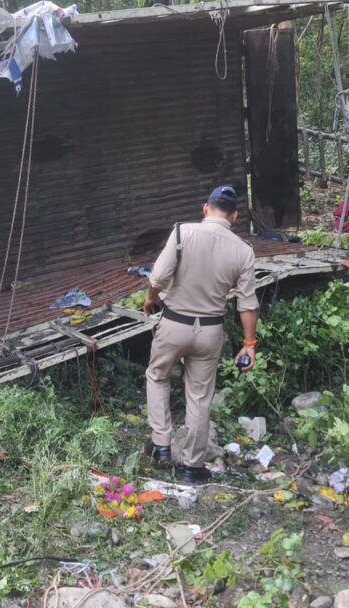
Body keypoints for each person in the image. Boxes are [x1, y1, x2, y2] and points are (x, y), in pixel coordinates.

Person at [143, 185, 258, 484]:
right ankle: (192, 467)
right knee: (199, 396)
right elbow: (247, 303)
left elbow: (159, 276)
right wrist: (249, 344)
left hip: (174, 324)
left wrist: (151, 297)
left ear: (205, 208)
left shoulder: (183, 232)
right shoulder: (243, 251)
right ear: (234, 216)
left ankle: (161, 444)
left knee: (157, 376)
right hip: (210, 331)